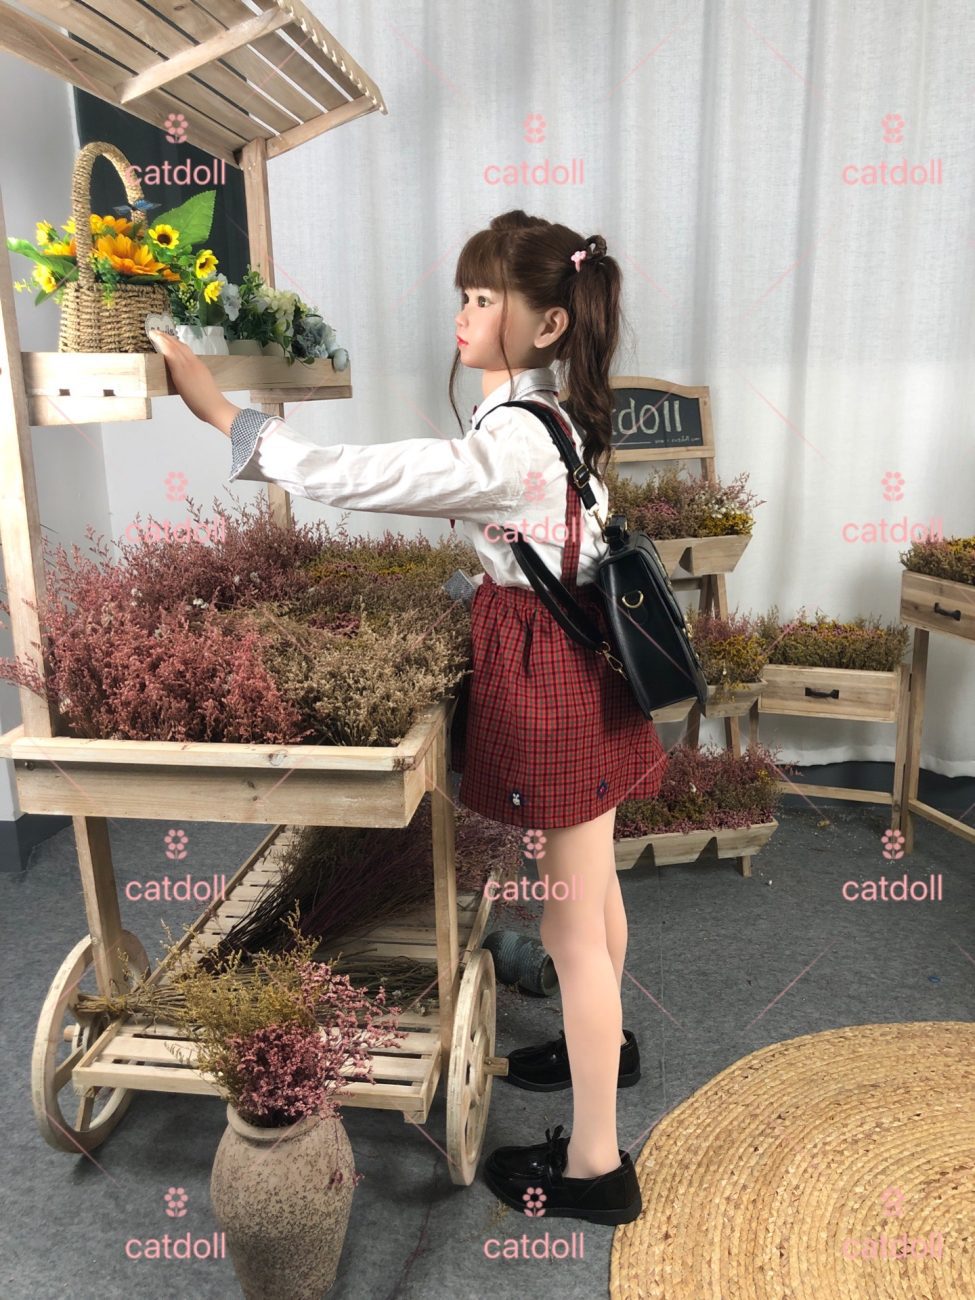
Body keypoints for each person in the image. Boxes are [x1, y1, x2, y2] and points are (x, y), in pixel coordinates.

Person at [151, 208, 668, 1227]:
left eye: (484, 298)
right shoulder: (553, 420)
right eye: (464, 295)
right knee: (593, 887)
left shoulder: (512, 439)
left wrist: (225, 418)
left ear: (548, 324)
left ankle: (597, 1166)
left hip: (554, 685)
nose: (463, 314)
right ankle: (601, 1050)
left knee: (568, 922)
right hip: (588, 675)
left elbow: (367, 473)